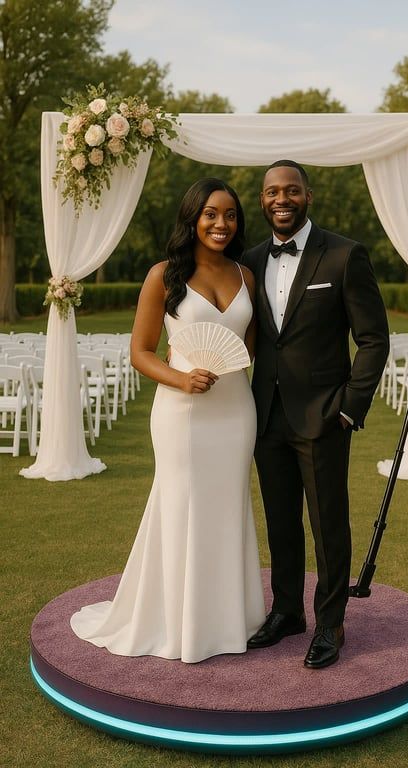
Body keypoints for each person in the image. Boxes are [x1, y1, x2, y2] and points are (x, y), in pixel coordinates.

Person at [70, 178, 265, 663]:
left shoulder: (247, 276)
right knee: (182, 507)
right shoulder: (164, 275)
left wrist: (227, 366)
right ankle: (179, 623)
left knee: (227, 507)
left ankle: (229, 620)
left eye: (231, 215)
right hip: (182, 411)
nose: (222, 224)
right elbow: (140, 352)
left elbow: (251, 348)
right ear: (193, 218)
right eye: (211, 214)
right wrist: (181, 379)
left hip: (236, 410)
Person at [242, 160, 389, 669]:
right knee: (280, 521)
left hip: (326, 415)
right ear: (261, 200)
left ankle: (330, 622)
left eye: (291, 190)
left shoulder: (346, 255)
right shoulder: (249, 260)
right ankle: (287, 611)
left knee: (328, 524)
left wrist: (349, 409)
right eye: (271, 192)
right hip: (266, 416)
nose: (280, 199)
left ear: (309, 195)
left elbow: (373, 340)